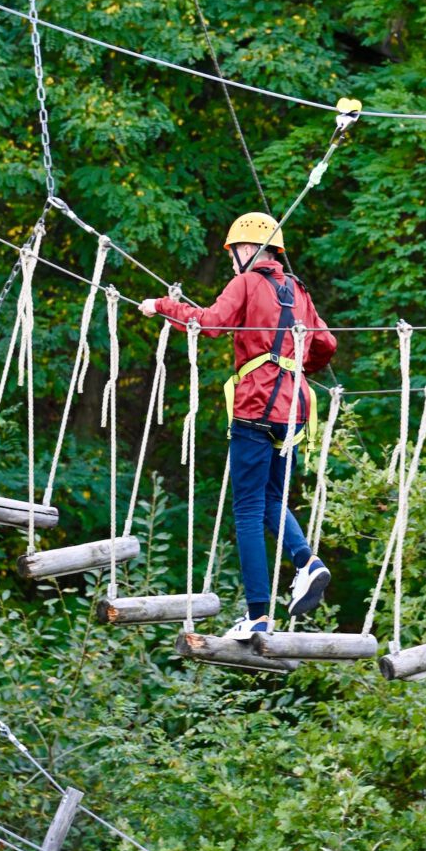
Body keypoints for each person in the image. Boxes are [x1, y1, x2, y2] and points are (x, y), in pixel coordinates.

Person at [139, 211, 337, 638]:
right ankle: (306, 561)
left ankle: (258, 615)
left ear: (248, 250)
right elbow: (326, 343)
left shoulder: (247, 282)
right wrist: (304, 368)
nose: (232, 262)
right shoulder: (297, 290)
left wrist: (161, 306)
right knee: (271, 498)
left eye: (233, 254)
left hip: (255, 408)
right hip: (292, 412)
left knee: (247, 508)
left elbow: (210, 323)